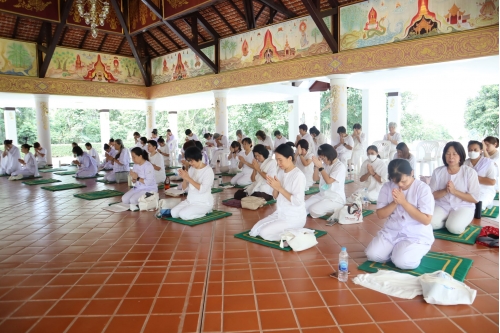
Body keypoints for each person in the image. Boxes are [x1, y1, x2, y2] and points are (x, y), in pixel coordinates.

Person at [365, 159, 435, 270]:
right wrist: (395, 202)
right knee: (372, 255)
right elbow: (380, 214)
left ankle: (409, 251)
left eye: (404, 181)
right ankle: (397, 250)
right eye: (396, 182)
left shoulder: (422, 189)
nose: (400, 185)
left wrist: (404, 202)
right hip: (392, 231)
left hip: (415, 234)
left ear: (411, 173)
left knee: (403, 262)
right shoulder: (387, 187)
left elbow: (426, 220)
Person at [249, 144, 307, 241]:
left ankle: (296, 234)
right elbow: (275, 196)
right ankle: (287, 232)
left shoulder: (298, 176)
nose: (278, 163)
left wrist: (279, 188)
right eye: (277, 160)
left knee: (264, 233)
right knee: (255, 229)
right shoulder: (281, 172)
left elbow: (297, 201)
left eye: (280, 160)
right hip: (280, 212)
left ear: (289, 158)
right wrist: (275, 187)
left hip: (293, 217)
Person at [429, 142, 480, 234]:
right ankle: (448, 221)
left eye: (454, 154)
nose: (451, 157)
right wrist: (445, 191)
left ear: (461, 155)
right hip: (442, 205)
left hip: (463, 206)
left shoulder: (470, 172)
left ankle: (453, 222)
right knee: (429, 223)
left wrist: (454, 191)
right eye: (448, 153)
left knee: (455, 229)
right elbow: (431, 195)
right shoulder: (438, 172)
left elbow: (475, 198)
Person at [171, 147, 214, 220]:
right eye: (188, 161)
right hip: (190, 201)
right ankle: (191, 209)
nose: (190, 163)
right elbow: (184, 188)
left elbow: (202, 189)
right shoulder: (191, 169)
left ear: (198, 158)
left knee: (183, 215)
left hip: (203, 203)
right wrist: (184, 178)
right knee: (173, 213)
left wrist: (188, 178)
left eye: (191, 161)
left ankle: (206, 211)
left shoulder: (208, 171)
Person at [305, 144, 346, 218]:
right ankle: (325, 207)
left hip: (335, 198)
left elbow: (329, 181)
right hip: (323, 194)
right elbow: (315, 178)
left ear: (329, 155)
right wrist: (316, 167)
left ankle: (338, 209)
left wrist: (320, 167)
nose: (323, 160)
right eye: (321, 158)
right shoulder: (325, 165)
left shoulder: (340, 166)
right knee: (303, 207)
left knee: (313, 210)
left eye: (323, 158)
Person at [464, 141, 496, 210]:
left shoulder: (488, 163)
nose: (472, 152)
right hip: (468, 190)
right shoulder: (465, 163)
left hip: (484, 191)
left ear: (481, 151)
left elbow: (492, 182)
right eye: (470, 150)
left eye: (475, 150)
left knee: (477, 206)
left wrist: (473, 177)